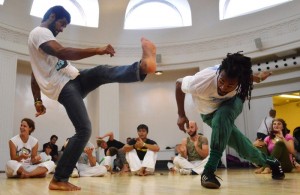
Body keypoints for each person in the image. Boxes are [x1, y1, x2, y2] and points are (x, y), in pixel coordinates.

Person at [28, 6, 156, 191]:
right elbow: (63, 52)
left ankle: (141, 68)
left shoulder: (41, 42)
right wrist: (97, 49)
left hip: (75, 78)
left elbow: (34, 74)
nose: (62, 29)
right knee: (84, 129)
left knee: (102, 72)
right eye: (62, 24)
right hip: (64, 87)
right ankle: (59, 179)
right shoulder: (40, 32)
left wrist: (38, 102)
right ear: (53, 16)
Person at [175, 52, 284, 189]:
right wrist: (181, 115)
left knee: (223, 115)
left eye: (230, 85)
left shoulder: (241, 79)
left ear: (239, 82)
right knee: (243, 147)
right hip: (208, 113)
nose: (223, 87)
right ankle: (271, 162)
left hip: (232, 102)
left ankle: (208, 172)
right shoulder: (201, 80)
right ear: (219, 74)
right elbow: (179, 84)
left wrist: (258, 78)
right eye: (221, 81)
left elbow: (248, 77)